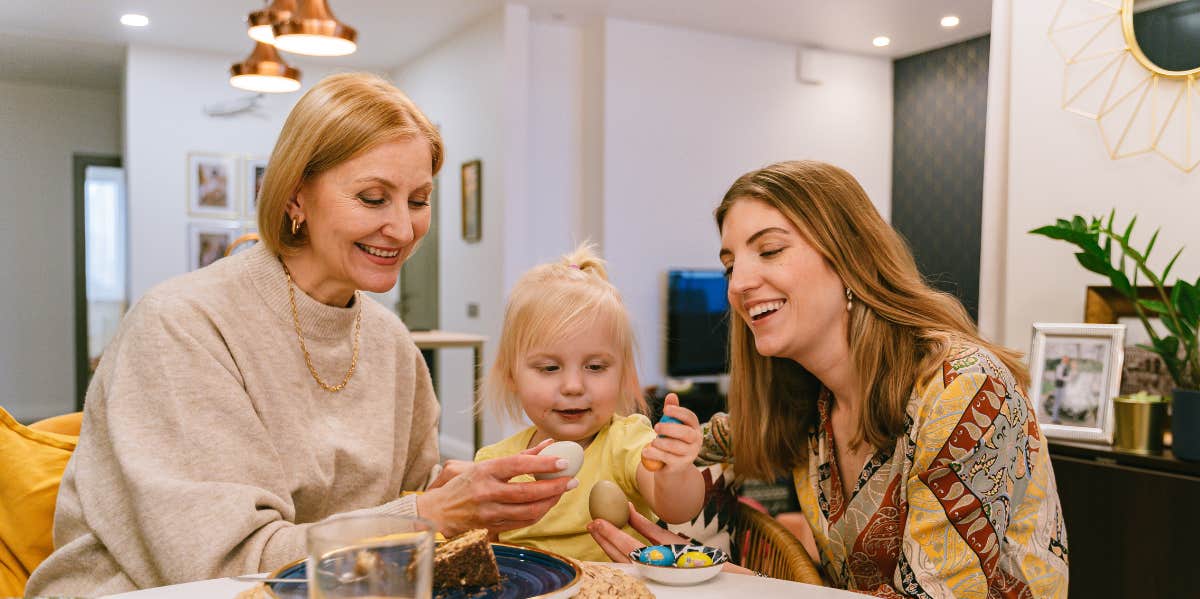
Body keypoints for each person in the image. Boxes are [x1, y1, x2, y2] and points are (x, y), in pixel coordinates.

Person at [27, 73, 575, 596]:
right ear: (294, 196)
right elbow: (225, 564)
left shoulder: (391, 345)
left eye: (418, 200)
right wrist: (429, 516)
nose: (404, 229)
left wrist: (456, 500)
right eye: (372, 197)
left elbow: (408, 510)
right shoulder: (182, 326)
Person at [589, 161, 1069, 597]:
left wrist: (751, 587)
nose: (737, 285)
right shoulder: (809, 402)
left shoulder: (963, 388)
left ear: (848, 255)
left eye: (770, 250)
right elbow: (677, 449)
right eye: (730, 266)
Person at [448, 243, 705, 562]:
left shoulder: (627, 441)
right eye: (549, 368)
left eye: (595, 367)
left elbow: (678, 509)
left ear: (622, 374)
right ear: (512, 376)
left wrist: (675, 470)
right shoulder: (498, 461)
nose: (573, 386)